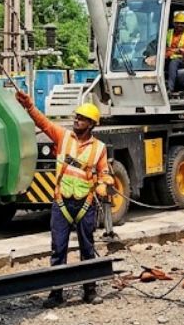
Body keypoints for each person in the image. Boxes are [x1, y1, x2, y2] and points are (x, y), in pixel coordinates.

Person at [14, 90, 113, 307]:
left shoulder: (99, 148)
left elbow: (104, 172)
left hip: (85, 203)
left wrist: (104, 184)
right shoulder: (63, 137)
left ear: (91, 124)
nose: (77, 121)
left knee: (87, 249)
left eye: (82, 119)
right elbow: (43, 123)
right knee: (58, 249)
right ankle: (56, 293)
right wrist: (29, 106)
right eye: (76, 117)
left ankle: (89, 291)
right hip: (61, 203)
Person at [165, 11, 184, 95]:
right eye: (178, 23)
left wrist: (178, 50)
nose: (180, 25)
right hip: (168, 56)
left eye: (182, 23)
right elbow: (163, 45)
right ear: (174, 23)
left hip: (182, 60)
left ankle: (170, 89)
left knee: (173, 63)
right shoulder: (169, 33)